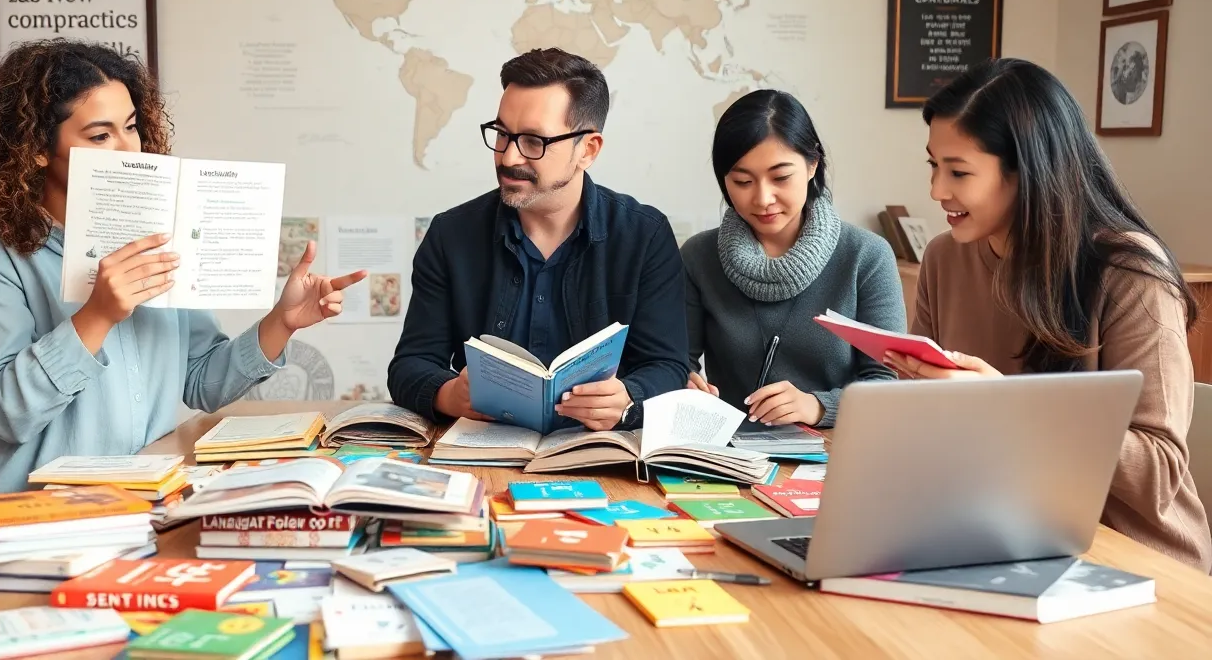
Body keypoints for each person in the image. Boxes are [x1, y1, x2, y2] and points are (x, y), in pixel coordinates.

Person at [0, 39, 365, 550]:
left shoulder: (160, 231)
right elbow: (5, 412)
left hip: (126, 513)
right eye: (100, 135)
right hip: (11, 526)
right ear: (37, 149)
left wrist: (281, 323)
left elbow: (202, 381)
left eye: (131, 127)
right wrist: (98, 315)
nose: (130, 149)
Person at [884, 57, 1212, 572]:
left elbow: (1157, 473)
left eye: (959, 172)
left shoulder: (1130, 272)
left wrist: (1007, 406)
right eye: (934, 165)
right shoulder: (944, 259)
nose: (936, 191)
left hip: (1126, 555)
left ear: (1028, 171)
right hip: (997, 530)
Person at [387, 47, 689, 431]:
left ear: (588, 150)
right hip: (479, 453)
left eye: (533, 141)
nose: (509, 156)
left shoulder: (644, 235)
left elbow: (668, 365)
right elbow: (409, 364)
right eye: (501, 134)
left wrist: (630, 394)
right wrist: (449, 393)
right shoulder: (451, 234)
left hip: (596, 454)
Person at [681, 90, 904, 426]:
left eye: (781, 177)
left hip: (835, 453)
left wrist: (817, 406)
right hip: (727, 454)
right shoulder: (699, 256)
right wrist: (682, 381)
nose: (763, 198)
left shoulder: (866, 256)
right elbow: (675, 360)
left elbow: (887, 387)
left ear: (813, 164)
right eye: (742, 181)